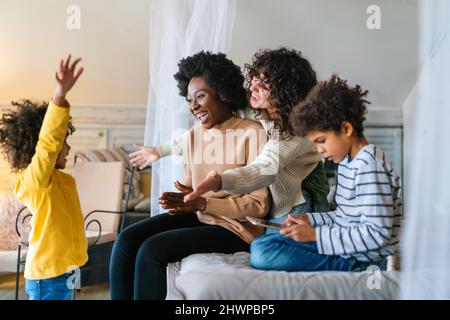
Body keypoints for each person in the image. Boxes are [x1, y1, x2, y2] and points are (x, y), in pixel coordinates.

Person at [109, 51, 270, 300]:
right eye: (189, 99)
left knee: (152, 250)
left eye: (200, 96)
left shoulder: (252, 132)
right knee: (127, 239)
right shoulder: (195, 135)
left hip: (236, 228)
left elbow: (259, 205)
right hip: (202, 216)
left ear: (223, 93)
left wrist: (204, 202)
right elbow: (189, 188)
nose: (193, 106)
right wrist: (179, 199)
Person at [130, 47, 330, 232]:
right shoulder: (251, 106)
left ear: (287, 92)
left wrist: (219, 181)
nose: (252, 87)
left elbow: (264, 168)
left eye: (263, 86)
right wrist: (160, 151)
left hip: (299, 195)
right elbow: (199, 135)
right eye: (253, 79)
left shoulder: (298, 130)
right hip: (272, 192)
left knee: (274, 247)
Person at [250, 75, 402, 272]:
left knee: (264, 252)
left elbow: (376, 235)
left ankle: (356, 267)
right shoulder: (349, 161)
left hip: (361, 255)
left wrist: (315, 236)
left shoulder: (369, 165)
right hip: (344, 244)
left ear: (346, 129)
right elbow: (345, 217)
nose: (320, 150)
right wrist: (310, 220)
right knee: (264, 243)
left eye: (322, 141)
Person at [0, 55, 87, 299]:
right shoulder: (36, 181)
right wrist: (59, 96)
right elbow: (48, 145)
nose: (68, 149)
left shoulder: (65, 180)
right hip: (47, 278)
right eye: (64, 142)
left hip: (67, 270)